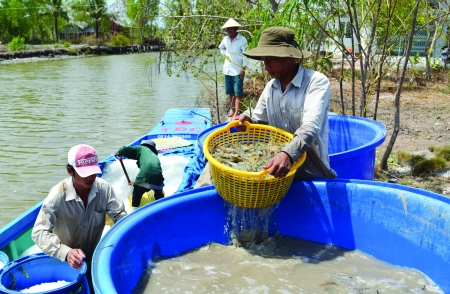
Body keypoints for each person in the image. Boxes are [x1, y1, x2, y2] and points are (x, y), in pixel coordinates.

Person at [237, 26, 337, 180]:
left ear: (290, 56)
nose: (266, 66)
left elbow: (310, 128)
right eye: (264, 61)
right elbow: (258, 119)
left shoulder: (315, 82)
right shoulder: (271, 87)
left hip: (311, 173)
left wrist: (288, 154)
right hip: (276, 172)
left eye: (271, 59)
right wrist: (246, 120)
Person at [32, 144, 127, 291]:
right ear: (70, 171)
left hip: (95, 257)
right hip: (65, 263)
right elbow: (39, 232)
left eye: (93, 172)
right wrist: (66, 252)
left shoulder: (104, 188)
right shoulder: (58, 195)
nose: (90, 177)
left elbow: (120, 217)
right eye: (84, 173)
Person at [115, 139, 164, 211]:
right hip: (159, 182)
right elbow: (151, 174)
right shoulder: (154, 156)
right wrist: (136, 182)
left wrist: (118, 152)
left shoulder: (142, 148)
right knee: (159, 196)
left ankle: (135, 210)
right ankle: (162, 208)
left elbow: (126, 149)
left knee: (136, 196)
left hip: (144, 179)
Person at [218, 18, 248, 119]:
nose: (230, 30)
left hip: (237, 70)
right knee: (230, 92)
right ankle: (233, 110)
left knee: (238, 92)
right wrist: (225, 55)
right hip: (227, 69)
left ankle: (236, 113)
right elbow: (221, 47)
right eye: (228, 29)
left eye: (231, 28)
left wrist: (243, 69)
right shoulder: (225, 39)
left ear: (236, 28)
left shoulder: (242, 40)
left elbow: (245, 55)